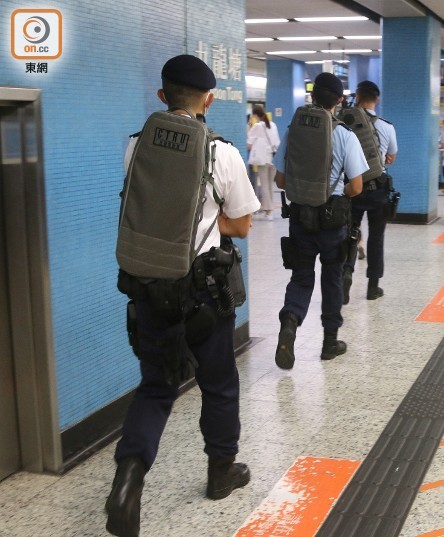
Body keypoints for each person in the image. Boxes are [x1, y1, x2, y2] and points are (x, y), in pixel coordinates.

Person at [106, 55, 260, 537]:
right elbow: (242, 225)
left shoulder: (135, 147)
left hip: (149, 287)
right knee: (218, 383)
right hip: (202, 293)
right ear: (208, 99)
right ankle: (221, 473)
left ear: (161, 96)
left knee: (155, 387)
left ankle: (128, 480)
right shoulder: (223, 153)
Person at [272, 73, 368, 369]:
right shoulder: (345, 135)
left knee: (301, 277)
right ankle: (330, 342)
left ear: (312, 97)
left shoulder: (293, 131)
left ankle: (289, 323)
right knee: (332, 278)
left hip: (300, 218)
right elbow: (356, 187)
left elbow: (279, 180)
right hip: (332, 221)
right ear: (340, 101)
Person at [342, 80, 398, 303]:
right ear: (377, 99)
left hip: (351, 189)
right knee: (376, 238)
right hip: (378, 191)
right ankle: (373, 287)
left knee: (349, 235)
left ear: (357, 97)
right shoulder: (386, 126)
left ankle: (346, 272)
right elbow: (391, 157)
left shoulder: (344, 124)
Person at [247, 104, 280, 220]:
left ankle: (269, 212)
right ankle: (267, 209)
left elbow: (249, 143)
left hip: (263, 160)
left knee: (265, 186)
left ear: (255, 114)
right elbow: (277, 142)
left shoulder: (257, 126)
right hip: (273, 160)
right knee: (269, 186)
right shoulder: (273, 125)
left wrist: (250, 123)